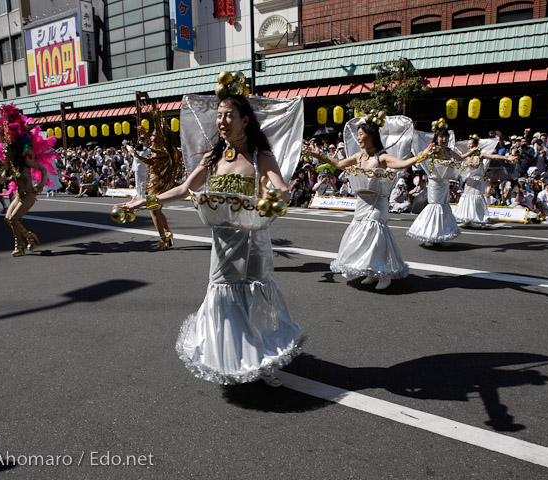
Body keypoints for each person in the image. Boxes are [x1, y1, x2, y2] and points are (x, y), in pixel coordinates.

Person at [116, 73, 305, 387]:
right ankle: (237, 357)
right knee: (223, 297)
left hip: (252, 242)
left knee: (251, 298)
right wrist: (143, 201)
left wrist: (277, 198)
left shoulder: (261, 156)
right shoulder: (213, 157)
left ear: (245, 120)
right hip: (222, 243)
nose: (222, 121)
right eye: (218, 116)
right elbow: (183, 190)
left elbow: (281, 190)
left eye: (229, 115)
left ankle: (265, 359)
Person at [307, 110, 418, 290]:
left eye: (361, 134)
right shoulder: (359, 156)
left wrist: (422, 156)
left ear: (371, 135)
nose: (358, 138)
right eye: (357, 134)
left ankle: (384, 275)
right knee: (364, 239)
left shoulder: (381, 157)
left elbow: (402, 164)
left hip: (377, 203)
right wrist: (319, 155)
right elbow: (338, 164)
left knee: (377, 238)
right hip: (361, 203)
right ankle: (371, 272)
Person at [0, 104, 56, 256]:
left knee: (15, 219)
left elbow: (43, 169)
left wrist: (40, 186)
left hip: (29, 194)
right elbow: (1, 180)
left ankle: (20, 246)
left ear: (13, 150)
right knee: (8, 219)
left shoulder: (24, 162)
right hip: (18, 196)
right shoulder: (9, 165)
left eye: (7, 149)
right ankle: (30, 238)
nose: (4, 151)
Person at [407, 118, 465, 246]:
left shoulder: (449, 152)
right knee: (435, 205)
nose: (443, 139)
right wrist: (426, 152)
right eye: (441, 137)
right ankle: (430, 233)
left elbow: (460, 159)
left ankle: (440, 234)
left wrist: (471, 154)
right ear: (436, 138)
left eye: (445, 137)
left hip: (445, 183)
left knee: (443, 206)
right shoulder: (432, 149)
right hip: (434, 182)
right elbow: (419, 158)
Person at [130, 114, 185, 251]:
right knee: (158, 211)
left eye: (154, 136)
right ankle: (167, 234)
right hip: (157, 183)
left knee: (154, 211)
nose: (151, 138)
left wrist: (138, 157)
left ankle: (163, 239)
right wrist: (145, 134)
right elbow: (155, 142)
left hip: (157, 184)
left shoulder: (162, 151)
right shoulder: (163, 149)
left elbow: (152, 162)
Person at [455, 134, 515, 227]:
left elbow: (493, 156)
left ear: (475, 145)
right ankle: (467, 218)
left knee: (477, 197)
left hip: (478, 180)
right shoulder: (466, 156)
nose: (468, 145)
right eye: (468, 144)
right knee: (467, 198)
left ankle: (479, 218)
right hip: (469, 181)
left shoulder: (481, 155)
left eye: (470, 144)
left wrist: (506, 157)